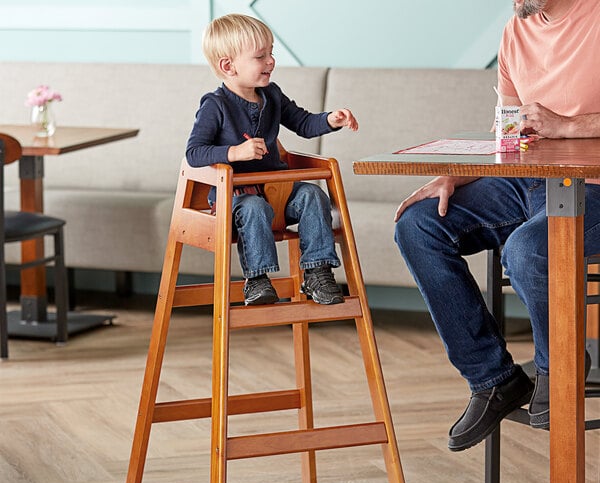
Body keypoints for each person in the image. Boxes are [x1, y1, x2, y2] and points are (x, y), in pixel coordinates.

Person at [394, 0, 600, 451]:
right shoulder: (515, 30)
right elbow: (508, 135)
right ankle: (494, 379)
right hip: (525, 182)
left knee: (529, 251)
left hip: (594, 187)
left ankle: (557, 368)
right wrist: (460, 173)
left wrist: (568, 127)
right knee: (419, 224)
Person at [186, 13, 358, 306]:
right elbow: (194, 152)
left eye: (271, 53)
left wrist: (330, 119)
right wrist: (233, 153)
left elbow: (303, 123)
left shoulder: (272, 95)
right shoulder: (215, 106)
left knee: (313, 195)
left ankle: (317, 271)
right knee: (253, 208)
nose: (270, 61)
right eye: (260, 56)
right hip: (235, 199)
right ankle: (257, 279)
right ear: (228, 66)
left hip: (278, 194)